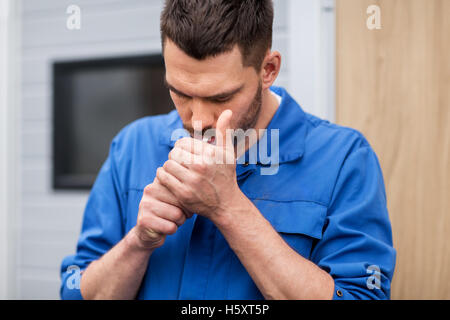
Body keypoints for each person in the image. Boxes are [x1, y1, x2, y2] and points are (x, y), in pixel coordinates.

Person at [60, 0, 396, 300]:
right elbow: (76, 291)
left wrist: (229, 209)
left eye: (220, 98)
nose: (199, 120)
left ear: (268, 69)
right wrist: (138, 242)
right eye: (180, 92)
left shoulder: (345, 159)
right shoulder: (132, 146)